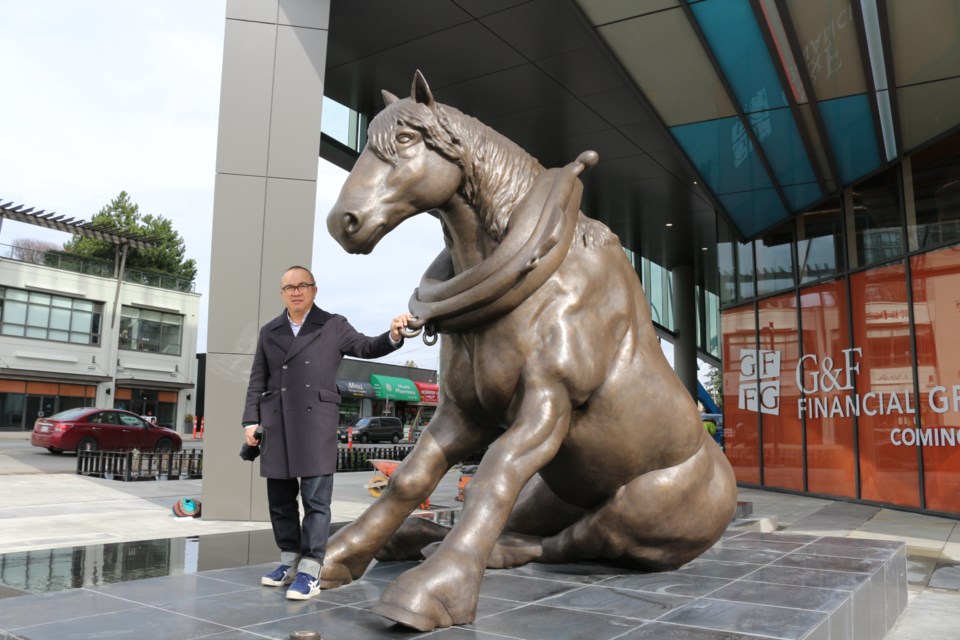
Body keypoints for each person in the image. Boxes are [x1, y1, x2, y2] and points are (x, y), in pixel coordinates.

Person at [242, 265, 413, 600]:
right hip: (276, 423)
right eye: (288, 287)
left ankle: (310, 570)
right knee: (280, 501)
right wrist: (251, 421)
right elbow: (257, 379)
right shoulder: (269, 331)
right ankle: (289, 561)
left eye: (302, 285)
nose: (295, 291)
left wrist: (393, 334)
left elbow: (366, 347)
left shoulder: (333, 325)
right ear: (282, 293)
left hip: (315, 421)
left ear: (314, 290)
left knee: (316, 501)